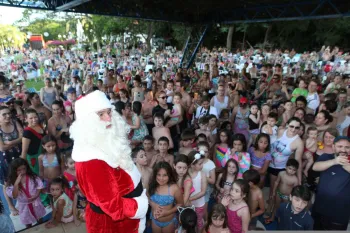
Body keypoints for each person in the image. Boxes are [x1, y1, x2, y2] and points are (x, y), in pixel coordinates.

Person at [69, 90, 148, 233]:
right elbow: (113, 207)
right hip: (112, 225)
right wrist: (141, 206)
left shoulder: (105, 141)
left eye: (109, 112)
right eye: (100, 114)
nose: (108, 118)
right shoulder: (91, 160)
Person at [312, 136, 350, 230]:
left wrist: (347, 166)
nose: (343, 150)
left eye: (347, 147)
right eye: (340, 146)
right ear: (333, 147)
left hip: (339, 214)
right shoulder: (326, 156)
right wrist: (334, 161)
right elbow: (315, 167)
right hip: (319, 208)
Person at [6, 158, 46, 227]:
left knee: (39, 217)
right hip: (24, 206)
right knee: (27, 222)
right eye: (19, 170)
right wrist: (16, 184)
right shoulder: (12, 182)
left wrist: (36, 195)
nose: (22, 171)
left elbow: (39, 186)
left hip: (36, 202)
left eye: (24, 169)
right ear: (14, 170)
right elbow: (14, 196)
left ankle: (41, 226)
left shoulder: (32, 177)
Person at [148, 162, 183, 233]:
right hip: (155, 221)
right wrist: (153, 204)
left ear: (169, 175)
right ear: (155, 175)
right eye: (159, 175)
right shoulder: (152, 185)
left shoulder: (174, 188)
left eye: (165, 175)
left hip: (169, 222)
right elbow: (147, 198)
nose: (161, 178)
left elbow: (180, 204)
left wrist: (167, 212)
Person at [266, 159, 299, 223]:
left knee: (285, 208)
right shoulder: (281, 174)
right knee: (276, 205)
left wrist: (292, 198)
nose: (291, 171)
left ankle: (281, 218)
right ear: (286, 167)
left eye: (294, 170)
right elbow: (276, 182)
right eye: (290, 168)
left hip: (287, 197)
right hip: (278, 193)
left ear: (296, 171)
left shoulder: (295, 179)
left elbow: (295, 190)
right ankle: (272, 217)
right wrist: (273, 191)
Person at [188, 150, 207, 233]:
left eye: (202, 163)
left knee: (199, 221)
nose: (202, 165)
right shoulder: (186, 173)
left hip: (199, 204)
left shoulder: (202, 174)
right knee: (189, 222)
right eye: (200, 164)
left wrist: (189, 199)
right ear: (192, 165)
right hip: (188, 204)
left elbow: (203, 191)